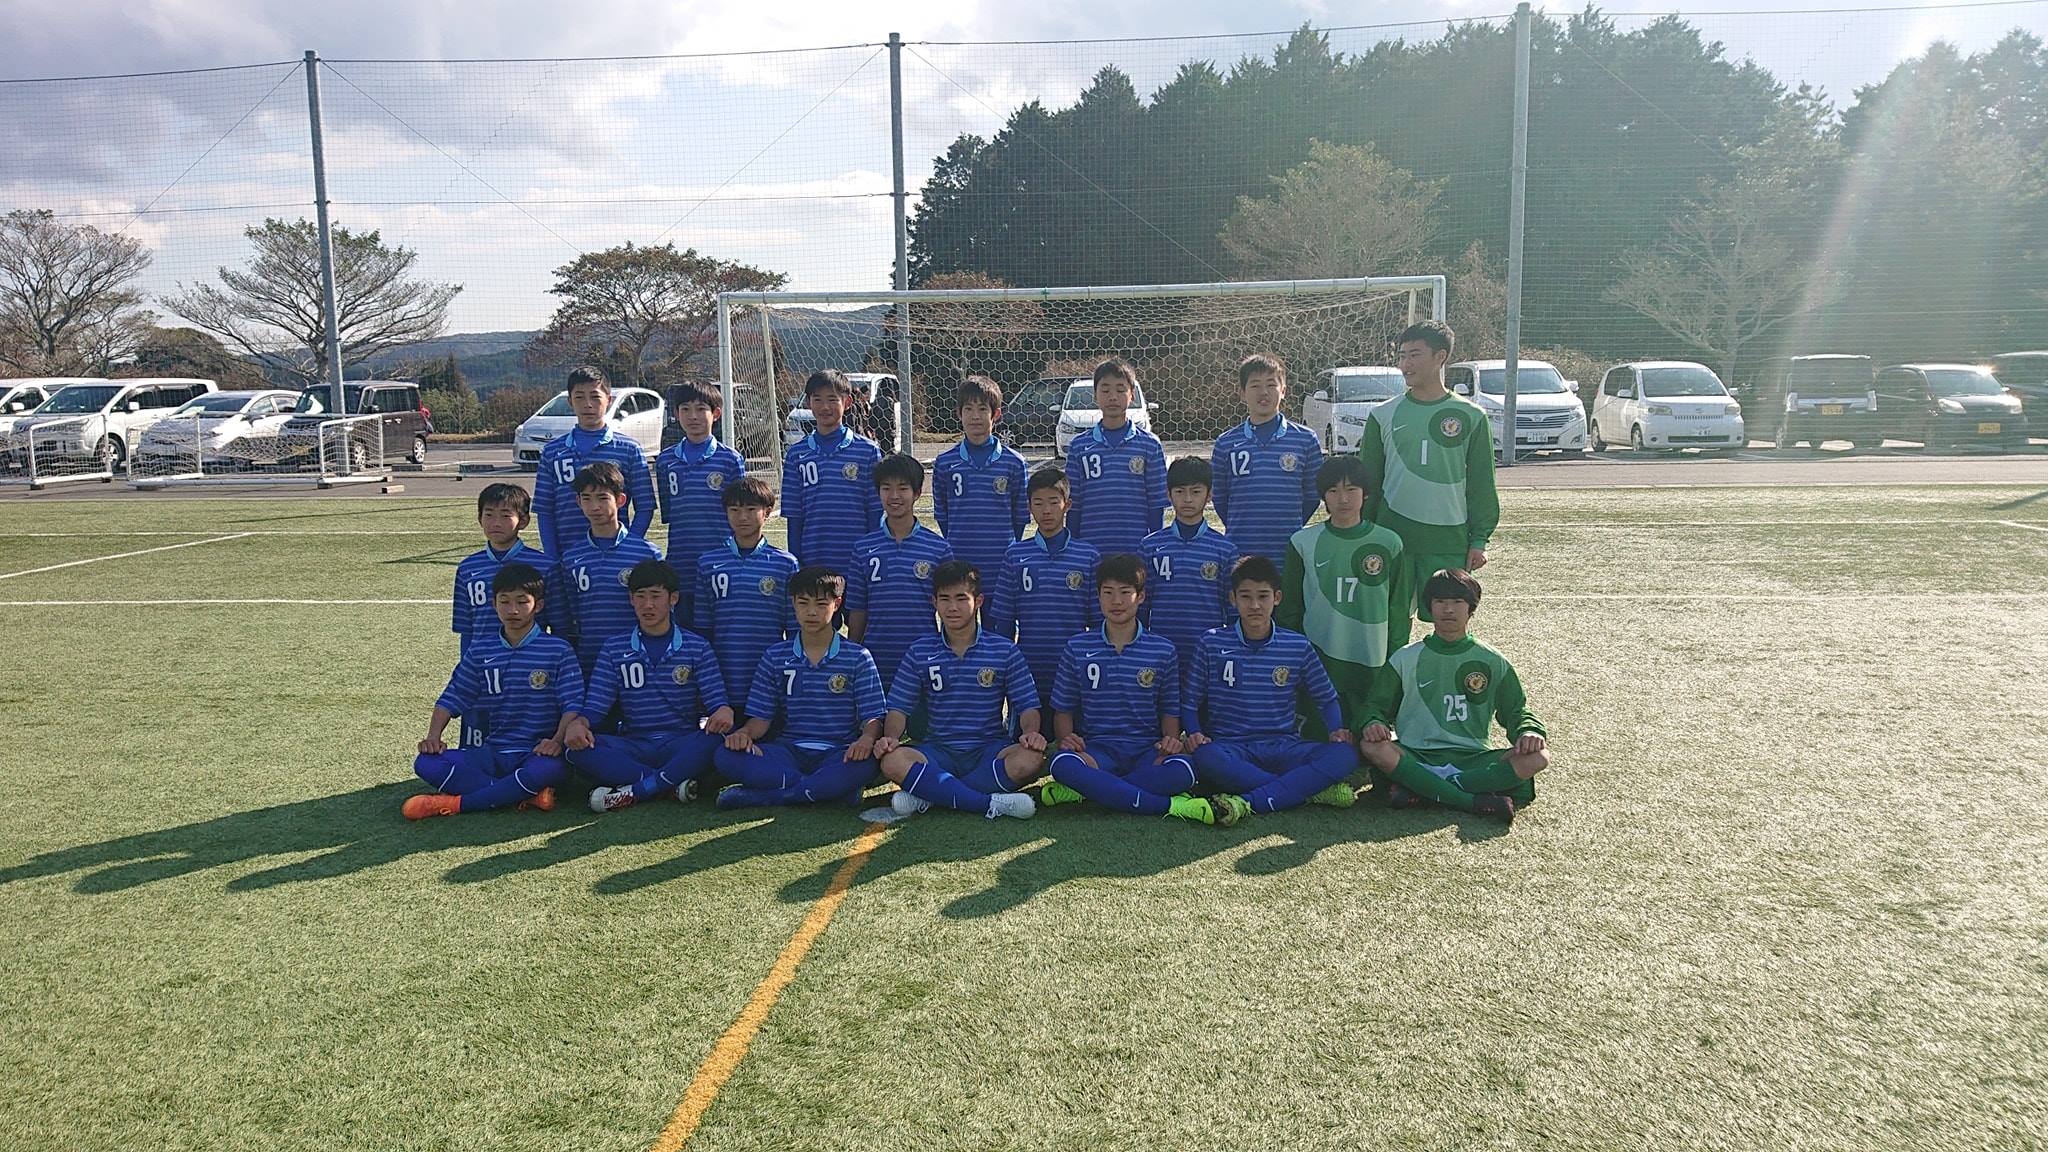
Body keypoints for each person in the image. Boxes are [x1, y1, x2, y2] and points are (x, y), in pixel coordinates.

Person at [1042, 555, 1224, 825]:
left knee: (1185, 770)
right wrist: (1067, 737)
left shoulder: (1163, 649)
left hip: (1146, 751)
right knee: (1061, 763)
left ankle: (1093, 789)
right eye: (1108, 593)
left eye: (1125, 593)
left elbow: (1169, 710)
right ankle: (1170, 805)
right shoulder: (1077, 646)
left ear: (1141, 597)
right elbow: (1063, 708)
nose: (1116, 601)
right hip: (1097, 750)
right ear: (1098, 597)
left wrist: (1170, 741)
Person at [1357, 568, 1546, 824]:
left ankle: (1424, 790)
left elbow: (1516, 712)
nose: (1448, 610)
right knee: (1372, 746)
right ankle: (1470, 800)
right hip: (1416, 755)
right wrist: (1373, 722)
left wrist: (1528, 731)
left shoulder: (1493, 660)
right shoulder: (1405, 657)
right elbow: (1375, 706)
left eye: (1457, 602)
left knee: (1539, 756)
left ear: (1471, 608)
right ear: (1429, 608)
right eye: (1440, 602)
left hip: (1473, 759)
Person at [1183, 556, 1358, 821]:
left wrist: (1336, 729)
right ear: (1233, 599)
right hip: (1233, 748)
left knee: (1344, 754)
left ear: (1276, 598)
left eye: (1263, 597)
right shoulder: (1211, 643)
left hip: (1285, 747)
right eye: (1246, 597)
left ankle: (1248, 800)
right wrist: (1194, 732)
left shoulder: (1297, 646)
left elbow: (1326, 697)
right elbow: (1189, 702)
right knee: (1206, 757)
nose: (1255, 605)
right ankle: (1308, 791)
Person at [405, 563, 582, 819]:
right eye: (505, 601)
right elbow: (454, 695)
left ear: (538, 606)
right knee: (426, 763)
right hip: (493, 752)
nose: (513, 610)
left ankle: (457, 804)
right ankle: (524, 793)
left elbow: (573, 705)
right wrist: (433, 736)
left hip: (537, 753)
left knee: (550, 770)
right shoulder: (481, 651)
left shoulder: (558, 650)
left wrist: (555, 741)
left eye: (522, 602)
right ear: (494, 604)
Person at [873, 561, 1043, 821]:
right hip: (938, 750)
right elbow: (898, 707)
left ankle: (932, 794)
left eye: (961, 598)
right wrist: (892, 737)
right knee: (891, 761)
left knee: (1031, 758)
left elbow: (1028, 705)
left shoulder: (1005, 650)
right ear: (934, 602)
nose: (952, 607)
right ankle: (987, 803)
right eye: (945, 599)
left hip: (989, 748)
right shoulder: (920, 651)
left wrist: (1031, 734)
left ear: (979, 601)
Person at [565, 559, 733, 812]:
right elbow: (595, 707)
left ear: (673, 598)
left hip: (680, 743)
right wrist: (579, 724)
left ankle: (638, 790)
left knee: (718, 739)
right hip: (635, 744)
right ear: (631, 600)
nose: (648, 605)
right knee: (575, 750)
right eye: (640, 596)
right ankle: (670, 785)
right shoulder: (614, 648)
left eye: (656, 596)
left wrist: (723, 711)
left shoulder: (697, 647)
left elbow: (716, 701)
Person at [714, 567, 889, 809]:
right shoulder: (775, 655)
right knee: (725, 754)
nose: (811, 612)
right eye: (803, 603)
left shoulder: (858, 656)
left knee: (869, 762)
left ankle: (766, 797)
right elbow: (760, 720)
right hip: (787, 752)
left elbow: (872, 717)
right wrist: (744, 734)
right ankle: (824, 790)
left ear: (837, 604)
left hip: (839, 752)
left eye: (820, 604)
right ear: (793, 604)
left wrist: (867, 740)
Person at [1358, 321, 1498, 622]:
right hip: (1392, 537)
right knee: (1390, 625)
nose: (1406, 364)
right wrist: (1361, 532)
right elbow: (1368, 484)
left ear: (1440, 357)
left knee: (1449, 625)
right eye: (1402, 355)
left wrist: (1479, 539)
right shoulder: (1381, 415)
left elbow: (1481, 484)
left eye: (1415, 355)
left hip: (1448, 539)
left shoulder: (1472, 417)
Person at [1278, 456, 1411, 741]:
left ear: (1366, 493)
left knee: (1371, 741)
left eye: (1351, 489)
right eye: (1334, 491)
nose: (1343, 498)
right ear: (1323, 496)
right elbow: (1290, 609)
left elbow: (1398, 608)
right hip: (1320, 655)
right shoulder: (1302, 542)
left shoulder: (1390, 542)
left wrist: (1395, 652)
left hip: (1371, 655)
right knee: (1320, 739)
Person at [451, 482, 557, 751]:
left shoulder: (545, 565)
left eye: (505, 515)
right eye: (489, 514)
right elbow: (466, 628)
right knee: (479, 742)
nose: (495, 522)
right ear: (479, 518)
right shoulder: (468, 568)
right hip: (483, 665)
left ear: (523, 521)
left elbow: (559, 625)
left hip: (530, 664)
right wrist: (468, 668)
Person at [985, 466, 1101, 706]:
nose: (1046, 510)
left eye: (1053, 502)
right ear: (1028, 508)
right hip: (1028, 664)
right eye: (1038, 503)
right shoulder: (1015, 555)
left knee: (1072, 737)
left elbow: (1099, 622)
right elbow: (1004, 620)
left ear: (1067, 505)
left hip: (1074, 664)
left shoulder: (1088, 556)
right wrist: (1007, 663)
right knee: (1029, 736)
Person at [846, 453, 953, 688]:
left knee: (921, 723)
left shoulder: (938, 548)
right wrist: (852, 654)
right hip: (876, 658)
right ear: (878, 493)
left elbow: (949, 611)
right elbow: (858, 610)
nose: (894, 496)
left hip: (925, 657)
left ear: (917, 493)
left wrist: (949, 655)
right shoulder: (863, 548)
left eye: (903, 488)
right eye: (886, 488)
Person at [1209, 353, 1323, 565]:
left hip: (1287, 549)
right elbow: (1220, 497)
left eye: (1271, 384)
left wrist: (1288, 526)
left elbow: (1312, 496)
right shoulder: (1226, 443)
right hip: (1241, 549)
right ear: (1242, 393)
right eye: (1255, 385)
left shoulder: (1305, 440)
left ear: (1284, 391)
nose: (1263, 392)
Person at [693, 475, 797, 707]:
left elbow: (792, 629)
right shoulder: (708, 563)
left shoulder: (785, 564)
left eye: (751, 509)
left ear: (768, 512)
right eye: (735, 509)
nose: (742, 517)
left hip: (768, 669)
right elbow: (703, 627)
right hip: (722, 670)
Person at [534, 365, 656, 560]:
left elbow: (645, 506)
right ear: (570, 401)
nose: (588, 404)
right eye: (580, 397)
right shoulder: (552, 452)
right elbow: (545, 510)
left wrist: (628, 547)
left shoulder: (629, 449)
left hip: (615, 555)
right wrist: (552, 555)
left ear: (608, 400)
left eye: (595, 396)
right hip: (567, 554)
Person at [1138, 456, 1238, 689]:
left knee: (1204, 719)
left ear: (1209, 495)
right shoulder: (1149, 546)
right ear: (1168, 494)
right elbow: (1142, 604)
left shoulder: (1224, 549)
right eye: (1180, 492)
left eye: (1196, 491)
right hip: (1162, 649)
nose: (1188, 499)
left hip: (1207, 651)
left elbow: (1232, 609)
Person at [655, 380, 747, 625]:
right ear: (676, 414)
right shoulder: (665, 461)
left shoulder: (730, 460)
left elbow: (740, 515)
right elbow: (669, 514)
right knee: (685, 632)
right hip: (681, 563)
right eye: (685, 409)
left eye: (700, 409)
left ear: (716, 413)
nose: (692, 416)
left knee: (721, 628)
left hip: (721, 559)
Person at [559, 462, 661, 674]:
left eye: (603, 498)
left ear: (621, 500)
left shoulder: (645, 553)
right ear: (578, 502)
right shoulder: (571, 559)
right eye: (586, 498)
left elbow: (661, 612)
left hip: (638, 659)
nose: (594, 506)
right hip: (589, 658)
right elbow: (570, 613)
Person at [781, 369, 882, 575]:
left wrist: (872, 554)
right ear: (808, 403)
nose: (825, 407)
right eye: (817, 399)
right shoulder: (796, 454)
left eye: (832, 399)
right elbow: (794, 516)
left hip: (856, 561)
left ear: (847, 402)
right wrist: (797, 561)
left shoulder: (868, 451)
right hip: (813, 560)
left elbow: (875, 512)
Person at [930, 375, 1028, 582]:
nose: (975, 416)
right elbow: (942, 514)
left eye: (983, 409)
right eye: (968, 409)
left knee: (999, 615)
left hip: (1001, 564)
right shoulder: (945, 463)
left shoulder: (1014, 463)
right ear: (959, 413)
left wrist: (1008, 549)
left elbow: (1020, 517)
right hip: (960, 561)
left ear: (996, 414)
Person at [1067, 357, 1167, 557]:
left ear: (1132, 395)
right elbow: (1074, 505)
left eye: (1120, 390)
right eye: (1105, 390)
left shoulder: (1149, 445)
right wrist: (1075, 549)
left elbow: (1156, 503)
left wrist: (1153, 547)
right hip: (1090, 549)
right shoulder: (1078, 447)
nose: (1113, 396)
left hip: (1136, 549)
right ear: (1095, 395)